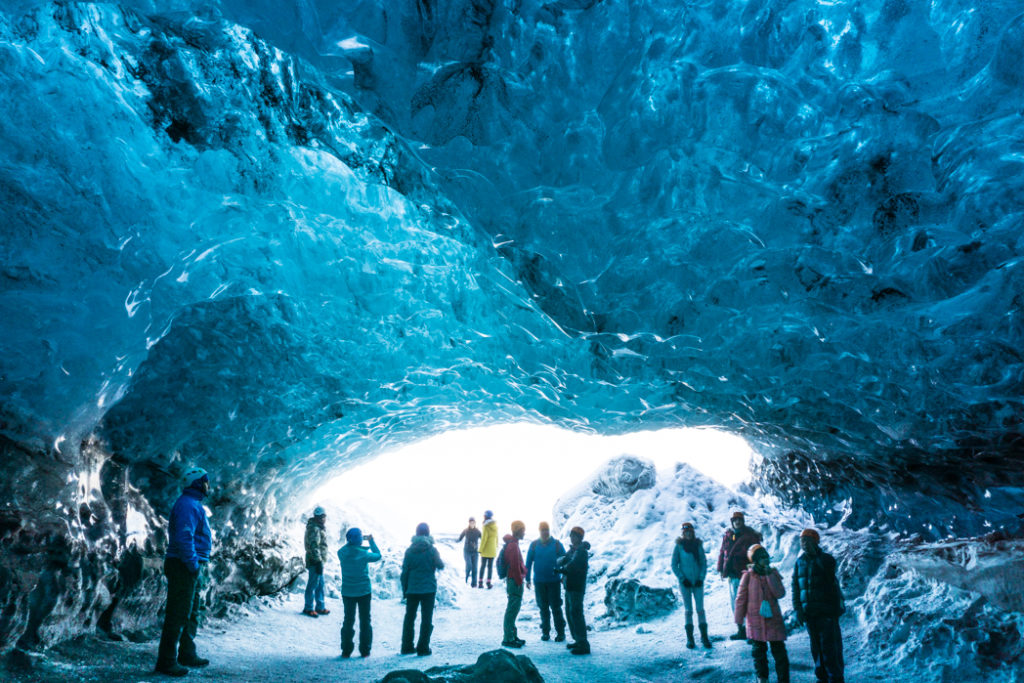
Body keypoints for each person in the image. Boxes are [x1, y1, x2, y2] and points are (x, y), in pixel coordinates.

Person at [154, 467, 213, 677]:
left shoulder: (193, 504)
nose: (208, 485)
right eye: (205, 481)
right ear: (197, 483)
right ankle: (166, 661)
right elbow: (184, 537)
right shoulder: (187, 505)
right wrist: (193, 564)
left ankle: (187, 652)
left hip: (189, 564)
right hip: (183, 565)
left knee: (191, 612)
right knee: (178, 613)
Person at [792, 529, 845, 683]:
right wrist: (798, 610)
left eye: (808, 541)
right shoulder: (799, 562)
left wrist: (833, 611)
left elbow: (832, 578)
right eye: (802, 541)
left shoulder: (826, 559)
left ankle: (835, 678)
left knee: (831, 648)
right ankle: (822, 678)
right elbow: (795, 587)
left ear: (816, 542)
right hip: (809, 613)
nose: (804, 544)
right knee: (816, 648)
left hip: (826, 613)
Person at [735, 544, 790, 683]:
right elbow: (740, 598)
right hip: (755, 621)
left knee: (780, 653)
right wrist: (738, 619)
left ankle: (783, 680)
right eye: (761, 557)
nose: (765, 559)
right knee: (759, 654)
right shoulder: (747, 576)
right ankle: (762, 679)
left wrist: (769, 575)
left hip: (773, 620)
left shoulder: (773, 573)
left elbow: (780, 593)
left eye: (766, 556)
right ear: (754, 560)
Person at [400, 522, 444, 656]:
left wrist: (405, 590)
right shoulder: (432, 550)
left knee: (409, 618)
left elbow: (404, 573)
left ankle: (407, 646)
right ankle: (423, 648)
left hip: (412, 589)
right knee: (426, 618)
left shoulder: (409, 550)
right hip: (428, 589)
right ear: (428, 533)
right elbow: (440, 565)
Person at [718, 510, 762, 640]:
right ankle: (741, 630)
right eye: (735, 520)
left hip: (746, 574)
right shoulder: (728, 535)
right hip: (732, 575)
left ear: (743, 522)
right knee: (736, 604)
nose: (737, 522)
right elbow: (722, 552)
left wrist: (755, 568)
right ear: (732, 522)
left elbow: (757, 552)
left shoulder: (750, 535)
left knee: (748, 603)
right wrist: (721, 568)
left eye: (739, 520)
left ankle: (752, 632)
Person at [338, 527, 382, 658]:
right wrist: (371, 541)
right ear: (359, 539)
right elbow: (378, 555)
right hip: (363, 591)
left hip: (347, 592)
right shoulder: (364, 555)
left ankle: (346, 650)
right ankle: (365, 650)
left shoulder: (341, 553)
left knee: (348, 620)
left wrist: (352, 541)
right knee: (365, 620)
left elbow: (347, 547)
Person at [672, 521, 711, 649]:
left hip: (697, 583)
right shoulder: (678, 547)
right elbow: (674, 565)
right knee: (688, 611)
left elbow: (703, 563)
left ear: (693, 532)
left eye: (690, 531)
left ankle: (704, 637)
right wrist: (682, 579)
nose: (688, 533)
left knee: (700, 610)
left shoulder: (698, 545)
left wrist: (701, 578)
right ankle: (690, 639)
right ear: (683, 533)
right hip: (685, 584)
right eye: (686, 532)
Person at [525, 521, 566, 642]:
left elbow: (565, 560)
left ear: (549, 531)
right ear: (539, 531)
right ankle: (546, 632)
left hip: (554, 581)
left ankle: (560, 633)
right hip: (539, 582)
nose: (544, 532)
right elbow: (528, 562)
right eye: (542, 530)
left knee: (556, 607)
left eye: (546, 530)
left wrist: (563, 575)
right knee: (543, 608)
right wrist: (527, 579)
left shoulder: (557, 544)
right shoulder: (534, 545)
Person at [555, 526, 590, 655]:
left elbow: (573, 566)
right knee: (570, 614)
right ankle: (577, 640)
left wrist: (562, 569)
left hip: (576, 587)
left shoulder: (581, 552)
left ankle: (583, 644)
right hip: (569, 586)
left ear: (579, 538)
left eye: (573, 535)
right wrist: (563, 564)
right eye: (571, 535)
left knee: (576, 614)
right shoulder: (573, 551)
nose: (571, 537)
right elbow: (561, 560)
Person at [500, 521, 528, 648]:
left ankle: (512, 636)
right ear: (518, 531)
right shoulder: (513, 546)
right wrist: (519, 581)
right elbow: (515, 566)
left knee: (513, 609)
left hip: (513, 580)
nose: (524, 532)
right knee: (512, 610)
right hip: (514, 580)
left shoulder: (512, 544)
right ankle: (508, 639)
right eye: (523, 530)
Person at [302, 506, 329, 618]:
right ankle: (308, 608)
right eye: (323, 516)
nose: (324, 518)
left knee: (320, 585)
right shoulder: (314, 529)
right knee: (313, 585)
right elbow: (314, 546)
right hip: (315, 561)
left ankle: (320, 607)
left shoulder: (318, 527)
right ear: (319, 517)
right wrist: (318, 561)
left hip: (319, 561)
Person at [457, 517, 482, 587]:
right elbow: (460, 538)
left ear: (475, 523)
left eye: (473, 522)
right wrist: (456, 541)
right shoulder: (465, 530)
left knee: (475, 568)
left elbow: (483, 539)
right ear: (469, 523)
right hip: (467, 551)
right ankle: (466, 578)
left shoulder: (478, 531)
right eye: (471, 522)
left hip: (475, 552)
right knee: (469, 565)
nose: (472, 524)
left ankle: (474, 584)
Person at [478, 510, 499, 589]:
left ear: (486, 516)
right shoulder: (495, 526)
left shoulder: (486, 526)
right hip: (492, 549)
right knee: (490, 567)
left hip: (486, 549)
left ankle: (480, 583)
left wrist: (480, 549)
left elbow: (484, 539)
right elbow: (497, 537)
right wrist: (496, 546)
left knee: (483, 566)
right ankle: (488, 583)